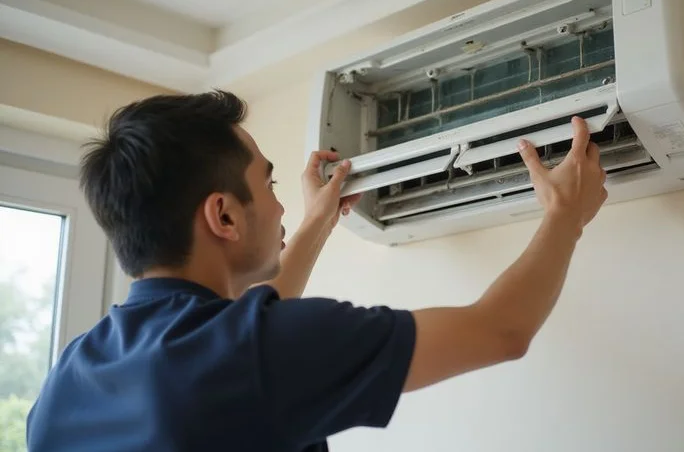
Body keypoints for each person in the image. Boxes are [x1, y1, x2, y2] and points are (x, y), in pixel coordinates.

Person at [26, 90, 607, 451]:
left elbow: (237, 341)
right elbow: (500, 330)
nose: (280, 206)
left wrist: (318, 221)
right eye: (269, 183)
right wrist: (565, 215)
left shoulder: (66, 382)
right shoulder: (256, 352)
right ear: (224, 215)